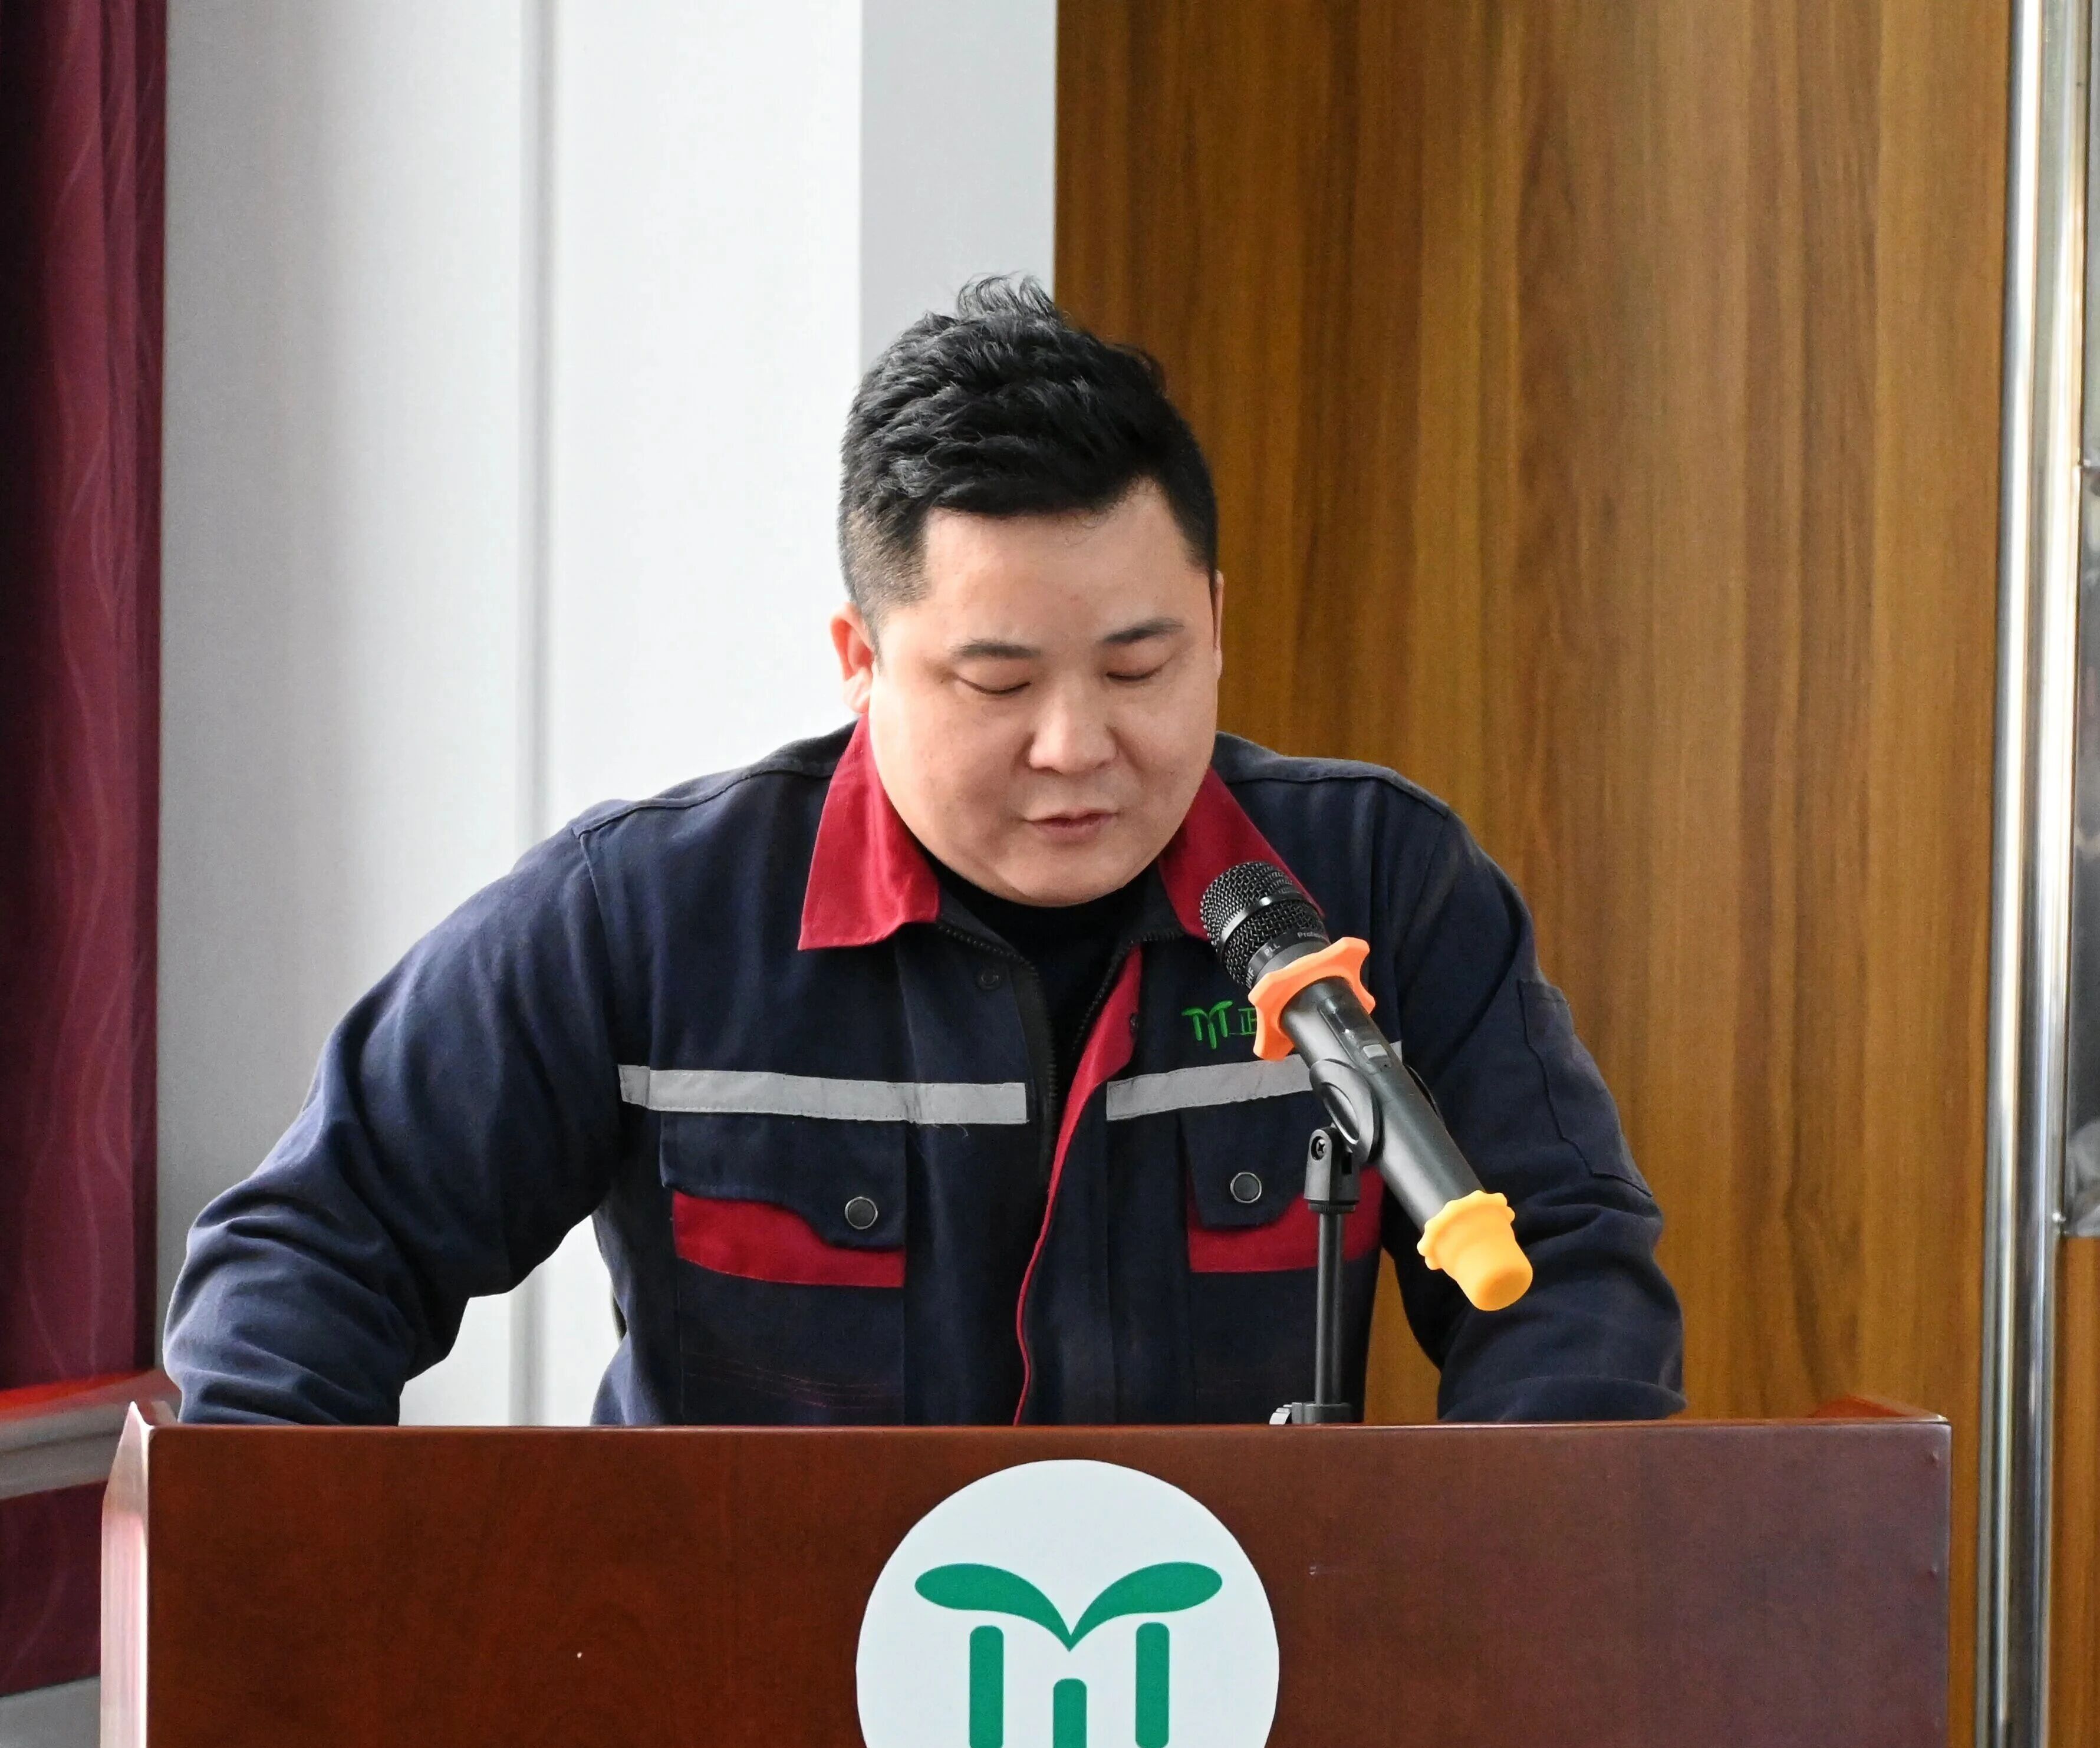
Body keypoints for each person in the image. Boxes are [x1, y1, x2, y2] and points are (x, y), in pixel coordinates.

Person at [167, 278, 1683, 1428]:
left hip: (1239, 1693)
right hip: (751, 1704)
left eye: (1142, 666)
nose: (1076, 745)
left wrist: (1481, 1605)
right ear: (859, 660)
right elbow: (317, 1250)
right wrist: (304, 1616)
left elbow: (1563, 1278)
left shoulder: (1377, 886)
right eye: (997, 684)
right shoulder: (648, 918)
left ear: (1215, 622)